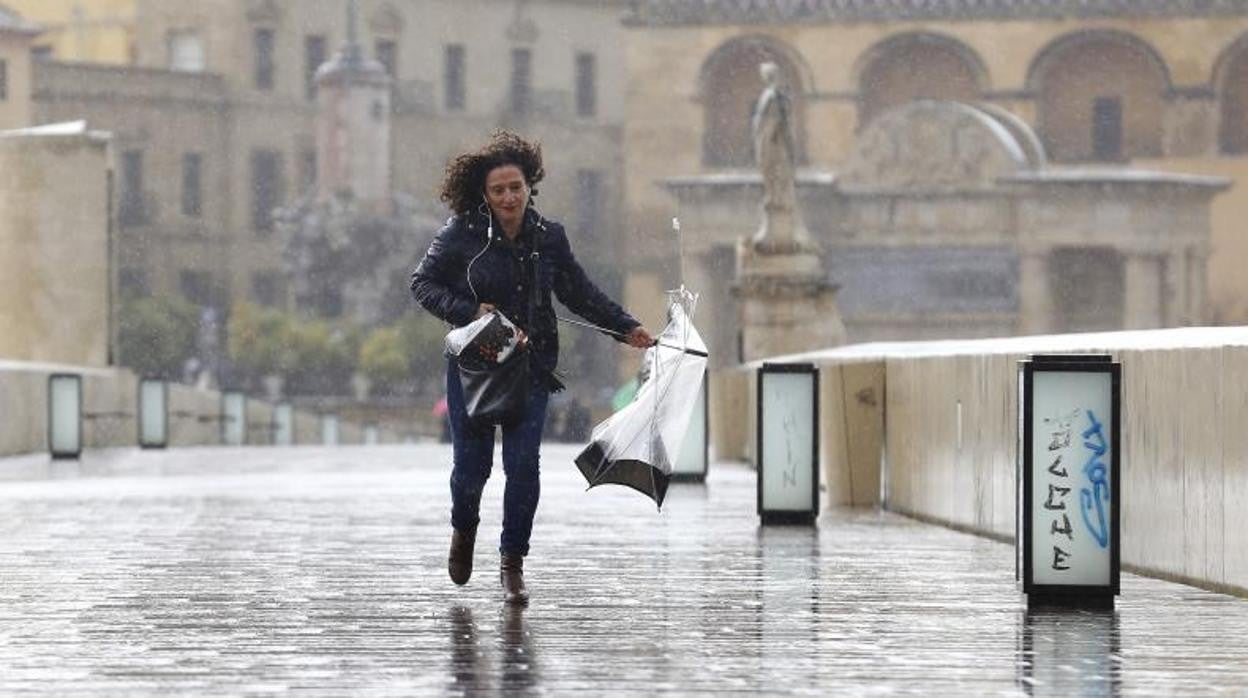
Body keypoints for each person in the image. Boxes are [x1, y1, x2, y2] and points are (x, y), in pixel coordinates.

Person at [410, 131, 654, 606]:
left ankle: (512, 563)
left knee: (523, 468)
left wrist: (626, 327)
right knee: (471, 471)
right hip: (474, 369)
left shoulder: (549, 238)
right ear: (485, 194)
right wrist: (469, 312)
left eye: (515, 187)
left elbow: (580, 293)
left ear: (529, 186)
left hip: (531, 366)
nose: (508, 197)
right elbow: (423, 284)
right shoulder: (462, 233)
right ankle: (464, 529)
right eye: (498, 190)